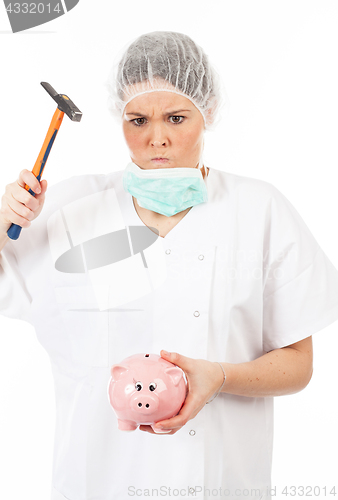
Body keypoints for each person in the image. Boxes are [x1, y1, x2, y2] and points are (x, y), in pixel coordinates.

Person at [1, 31, 338, 500]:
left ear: (209, 111)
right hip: (95, 485)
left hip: (222, 487)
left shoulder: (259, 210)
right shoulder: (66, 210)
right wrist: (2, 221)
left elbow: (299, 366)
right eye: (138, 119)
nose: (156, 138)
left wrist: (219, 377)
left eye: (176, 117)